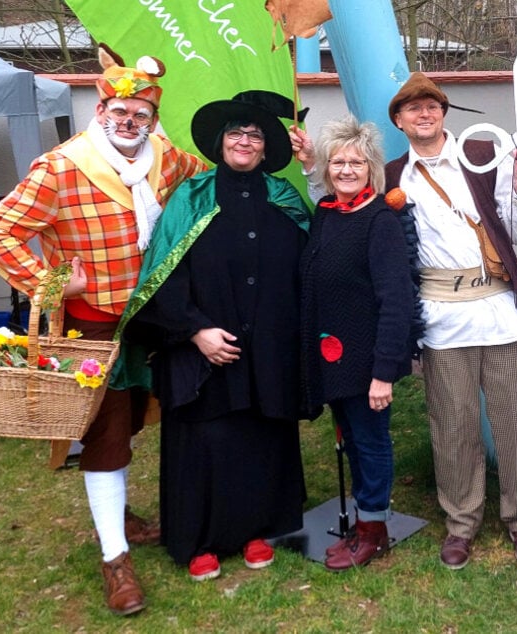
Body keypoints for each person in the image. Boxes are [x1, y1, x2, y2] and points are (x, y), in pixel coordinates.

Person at [0, 46, 206, 616]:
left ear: (152, 119)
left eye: (140, 114)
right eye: (118, 111)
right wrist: (53, 284)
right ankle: (115, 560)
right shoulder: (60, 168)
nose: (128, 121)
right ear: (99, 111)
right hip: (93, 327)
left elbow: (210, 180)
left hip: (152, 321)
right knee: (105, 433)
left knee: (133, 422)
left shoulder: (166, 158)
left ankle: (118, 514)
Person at [292, 72, 517, 569]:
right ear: (399, 121)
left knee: (515, 422)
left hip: (500, 312)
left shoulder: (485, 156)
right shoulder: (391, 176)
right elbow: (343, 195)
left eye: (432, 105)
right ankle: (461, 523)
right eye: (413, 108)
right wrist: (309, 165)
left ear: (443, 113)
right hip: (441, 318)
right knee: (452, 426)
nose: (424, 114)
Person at [119, 90, 313, 582]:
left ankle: (258, 530)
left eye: (255, 135)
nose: (244, 141)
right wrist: (194, 330)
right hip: (204, 351)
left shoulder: (286, 199)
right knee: (206, 442)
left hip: (269, 347)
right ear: (221, 142)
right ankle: (199, 540)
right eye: (236, 133)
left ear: (266, 148)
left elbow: (308, 272)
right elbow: (164, 275)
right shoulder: (192, 197)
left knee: (262, 439)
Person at [300, 116, 413, 571]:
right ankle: (364, 521)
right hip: (335, 357)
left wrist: (383, 373)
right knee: (351, 440)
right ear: (328, 170)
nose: (347, 170)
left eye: (357, 163)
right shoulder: (327, 214)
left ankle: (373, 531)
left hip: (367, 362)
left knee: (370, 443)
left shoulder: (379, 220)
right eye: (339, 163)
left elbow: (396, 301)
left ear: (371, 170)